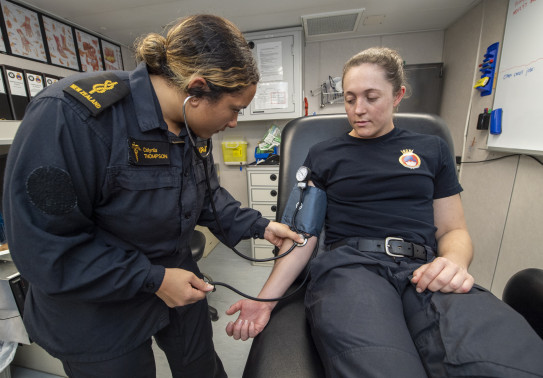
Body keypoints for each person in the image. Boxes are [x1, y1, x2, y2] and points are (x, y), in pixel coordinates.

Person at [3, 14, 302, 378]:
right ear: (196, 89)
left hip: (177, 280)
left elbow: (206, 197)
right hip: (97, 309)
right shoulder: (72, 117)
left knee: (203, 370)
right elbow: (45, 247)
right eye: (235, 110)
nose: (234, 123)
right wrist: (153, 279)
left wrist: (261, 227)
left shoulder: (193, 127)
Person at [225, 47, 543, 377]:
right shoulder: (322, 154)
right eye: (350, 99)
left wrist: (454, 263)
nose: (358, 110)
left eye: (371, 97)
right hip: (352, 268)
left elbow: (453, 230)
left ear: (398, 95)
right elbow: (302, 236)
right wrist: (263, 301)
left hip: (424, 269)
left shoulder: (431, 150)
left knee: (504, 363)